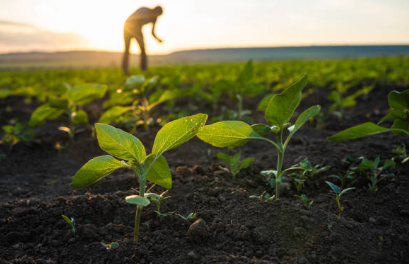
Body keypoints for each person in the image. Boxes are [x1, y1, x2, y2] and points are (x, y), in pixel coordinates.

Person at [122, 6, 163, 74]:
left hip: (138, 29)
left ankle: (143, 69)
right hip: (128, 26)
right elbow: (134, 21)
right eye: (157, 14)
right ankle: (125, 69)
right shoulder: (144, 10)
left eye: (158, 15)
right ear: (155, 10)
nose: (157, 16)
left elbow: (152, 32)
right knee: (127, 49)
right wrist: (139, 37)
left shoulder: (154, 19)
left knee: (143, 49)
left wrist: (158, 39)